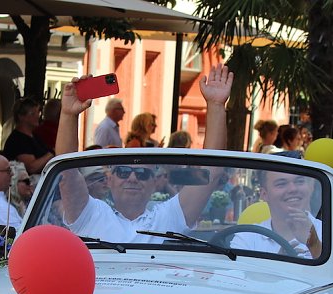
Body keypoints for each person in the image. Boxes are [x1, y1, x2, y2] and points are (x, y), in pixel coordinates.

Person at [54, 63, 233, 243]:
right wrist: (69, 114)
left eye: (142, 174)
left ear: (154, 183)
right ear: (109, 179)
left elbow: (212, 171)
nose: (132, 178)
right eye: (123, 172)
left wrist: (216, 105)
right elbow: (66, 173)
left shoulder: (168, 217)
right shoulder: (91, 214)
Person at [229, 170, 322, 259]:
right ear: (264, 194)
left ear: (311, 188)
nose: (293, 189)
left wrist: (314, 244)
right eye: (281, 184)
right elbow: (233, 274)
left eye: (299, 181)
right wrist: (278, 264)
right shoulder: (247, 237)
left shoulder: (329, 233)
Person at [3, 98, 55, 176]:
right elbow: (31, 167)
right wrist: (51, 153)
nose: (38, 116)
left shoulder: (35, 137)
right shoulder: (18, 140)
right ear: (21, 116)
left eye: (38, 113)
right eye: (33, 113)